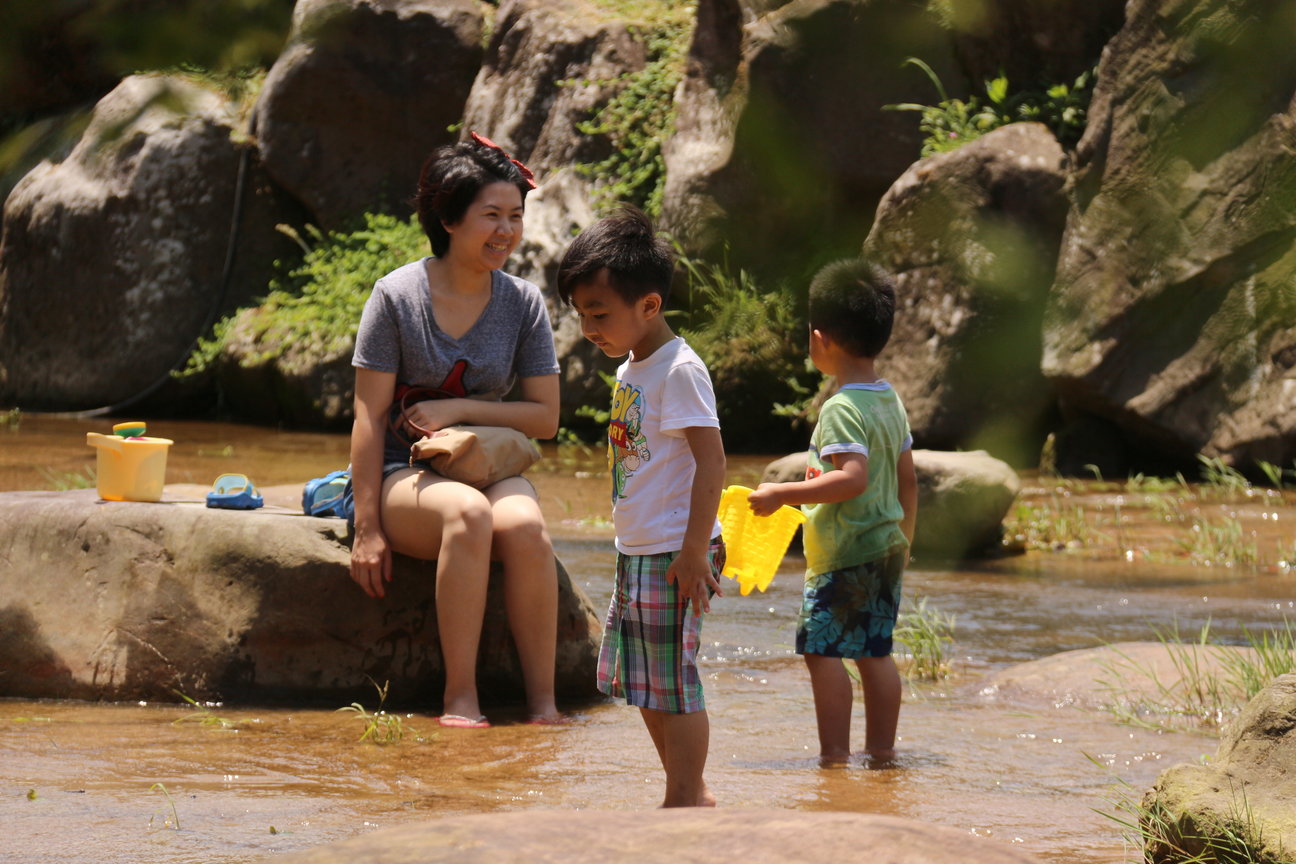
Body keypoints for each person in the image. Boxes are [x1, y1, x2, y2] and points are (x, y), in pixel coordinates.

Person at [349, 132, 563, 728]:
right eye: (490, 215)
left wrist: (459, 412)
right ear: (447, 217)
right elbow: (369, 416)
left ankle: (543, 703)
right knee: (466, 515)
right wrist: (367, 528)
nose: (506, 232)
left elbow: (544, 417)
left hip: (486, 461)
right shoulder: (396, 296)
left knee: (523, 526)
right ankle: (460, 698)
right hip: (403, 469)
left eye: (515, 217)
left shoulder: (522, 303)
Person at [555, 206, 726, 807]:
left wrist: (692, 553)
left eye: (599, 314)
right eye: (581, 314)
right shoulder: (635, 364)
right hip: (642, 547)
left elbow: (713, 463)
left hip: (677, 548)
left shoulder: (679, 369)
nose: (588, 328)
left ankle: (685, 795)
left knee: (673, 682)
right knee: (646, 683)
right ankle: (686, 789)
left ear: (649, 306)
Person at [747, 257, 918, 765]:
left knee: (822, 653)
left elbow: (853, 478)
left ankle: (835, 759)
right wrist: (905, 539)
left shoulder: (841, 407)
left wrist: (781, 495)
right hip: (885, 546)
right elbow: (906, 480)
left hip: (846, 553)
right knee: (875, 653)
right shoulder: (889, 399)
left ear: (820, 338)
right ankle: (883, 755)